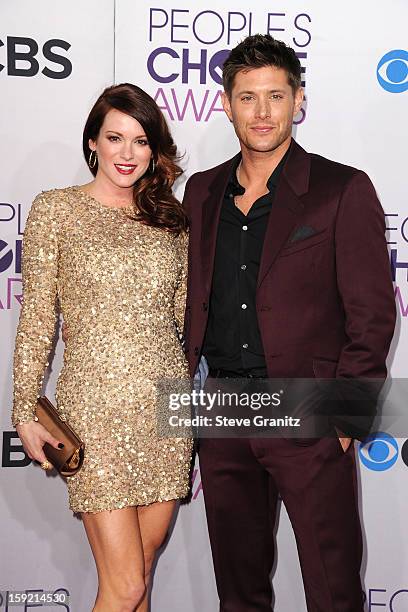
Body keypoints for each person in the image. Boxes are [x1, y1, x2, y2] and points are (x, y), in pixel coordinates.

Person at [182, 35, 396, 611]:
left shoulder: (341, 189)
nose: (262, 112)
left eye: (275, 95)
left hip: (308, 410)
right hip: (223, 410)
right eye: (248, 97)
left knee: (333, 589)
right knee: (239, 591)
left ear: (298, 101)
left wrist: (346, 414)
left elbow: (373, 313)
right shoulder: (201, 192)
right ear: (225, 104)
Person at [12, 83, 192, 612]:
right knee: (127, 586)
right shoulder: (56, 210)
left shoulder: (171, 221)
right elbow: (38, 317)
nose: (127, 154)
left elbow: (177, 319)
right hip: (95, 412)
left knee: (140, 570)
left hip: (166, 411)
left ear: (154, 150)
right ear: (93, 142)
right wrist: (24, 410)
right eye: (115, 138)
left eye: (141, 141)